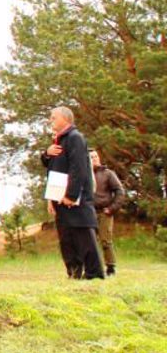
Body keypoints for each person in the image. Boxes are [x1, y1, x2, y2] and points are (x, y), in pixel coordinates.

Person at [43, 106, 104, 279]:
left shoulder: (75, 138)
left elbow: (79, 169)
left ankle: (94, 273)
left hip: (74, 198)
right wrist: (46, 154)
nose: (50, 120)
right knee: (67, 238)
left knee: (83, 234)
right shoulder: (58, 141)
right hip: (58, 196)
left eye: (53, 117)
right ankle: (74, 271)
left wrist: (71, 194)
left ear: (65, 119)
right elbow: (51, 168)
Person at [90, 150, 126, 277]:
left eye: (95, 156)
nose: (94, 159)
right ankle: (93, 268)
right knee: (89, 241)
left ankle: (110, 267)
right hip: (89, 212)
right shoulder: (84, 175)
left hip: (105, 212)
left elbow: (120, 191)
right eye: (91, 157)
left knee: (106, 240)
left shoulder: (108, 174)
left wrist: (112, 208)